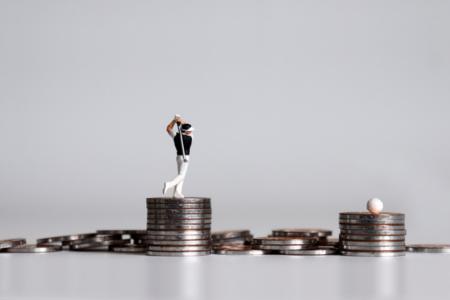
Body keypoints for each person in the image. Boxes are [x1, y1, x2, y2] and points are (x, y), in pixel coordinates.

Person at [162, 115, 194, 198]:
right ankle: (169, 184)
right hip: (185, 157)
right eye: (190, 131)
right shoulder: (190, 137)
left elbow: (168, 129)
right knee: (182, 176)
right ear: (187, 132)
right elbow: (187, 124)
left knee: (180, 175)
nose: (191, 131)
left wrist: (174, 120)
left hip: (178, 157)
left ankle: (177, 192)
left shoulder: (176, 137)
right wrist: (180, 120)